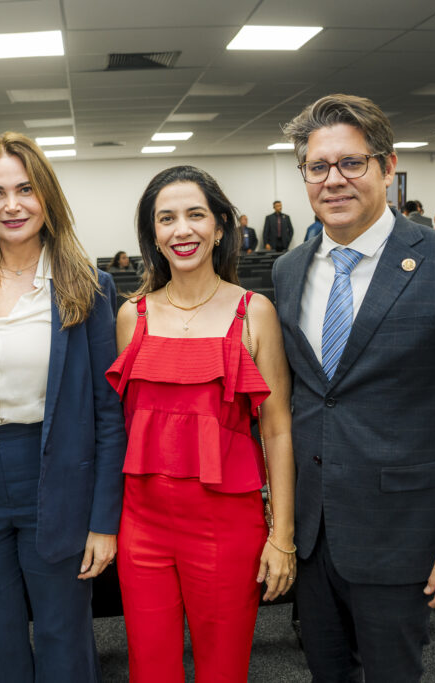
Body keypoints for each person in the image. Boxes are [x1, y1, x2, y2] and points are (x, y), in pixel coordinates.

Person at [274, 93, 435, 681]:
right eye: (317, 167)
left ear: (387, 167)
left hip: (404, 536)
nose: (333, 180)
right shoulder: (289, 270)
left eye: (351, 162)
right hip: (314, 535)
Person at [0, 132, 125, 682]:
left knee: (62, 634)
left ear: (47, 195)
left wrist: (104, 522)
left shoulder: (87, 287)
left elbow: (109, 414)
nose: (12, 205)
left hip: (55, 478)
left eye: (25, 189)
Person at [107, 165, 295, 682]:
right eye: (166, 219)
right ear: (153, 235)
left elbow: (277, 430)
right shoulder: (132, 316)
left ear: (220, 226)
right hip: (142, 526)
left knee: (223, 669)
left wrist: (283, 535)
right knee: (150, 669)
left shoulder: (254, 313)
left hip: (226, 527)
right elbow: (121, 428)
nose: (181, 230)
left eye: (195, 215)